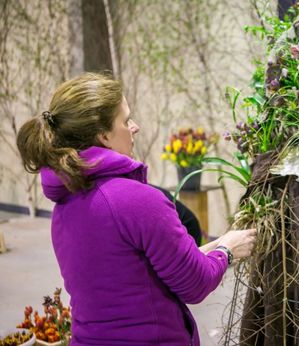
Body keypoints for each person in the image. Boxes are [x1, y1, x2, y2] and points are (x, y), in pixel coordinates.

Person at [16, 72, 257, 346]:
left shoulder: (65, 204)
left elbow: (136, 275)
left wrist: (216, 244)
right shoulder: (136, 200)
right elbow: (195, 284)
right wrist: (227, 251)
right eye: (126, 119)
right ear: (104, 135)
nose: (135, 126)